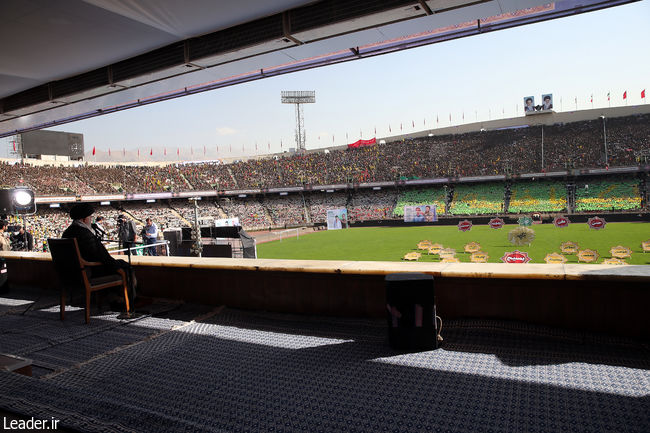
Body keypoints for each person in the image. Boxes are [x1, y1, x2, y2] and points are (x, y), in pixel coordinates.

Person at [62, 203, 134, 308]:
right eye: (90, 217)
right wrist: (118, 265)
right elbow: (102, 256)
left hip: (70, 275)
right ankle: (126, 302)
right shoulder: (85, 234)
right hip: (87, 274)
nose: (91, 220)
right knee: (125, 268)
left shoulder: (66, 233)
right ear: (83, 219)